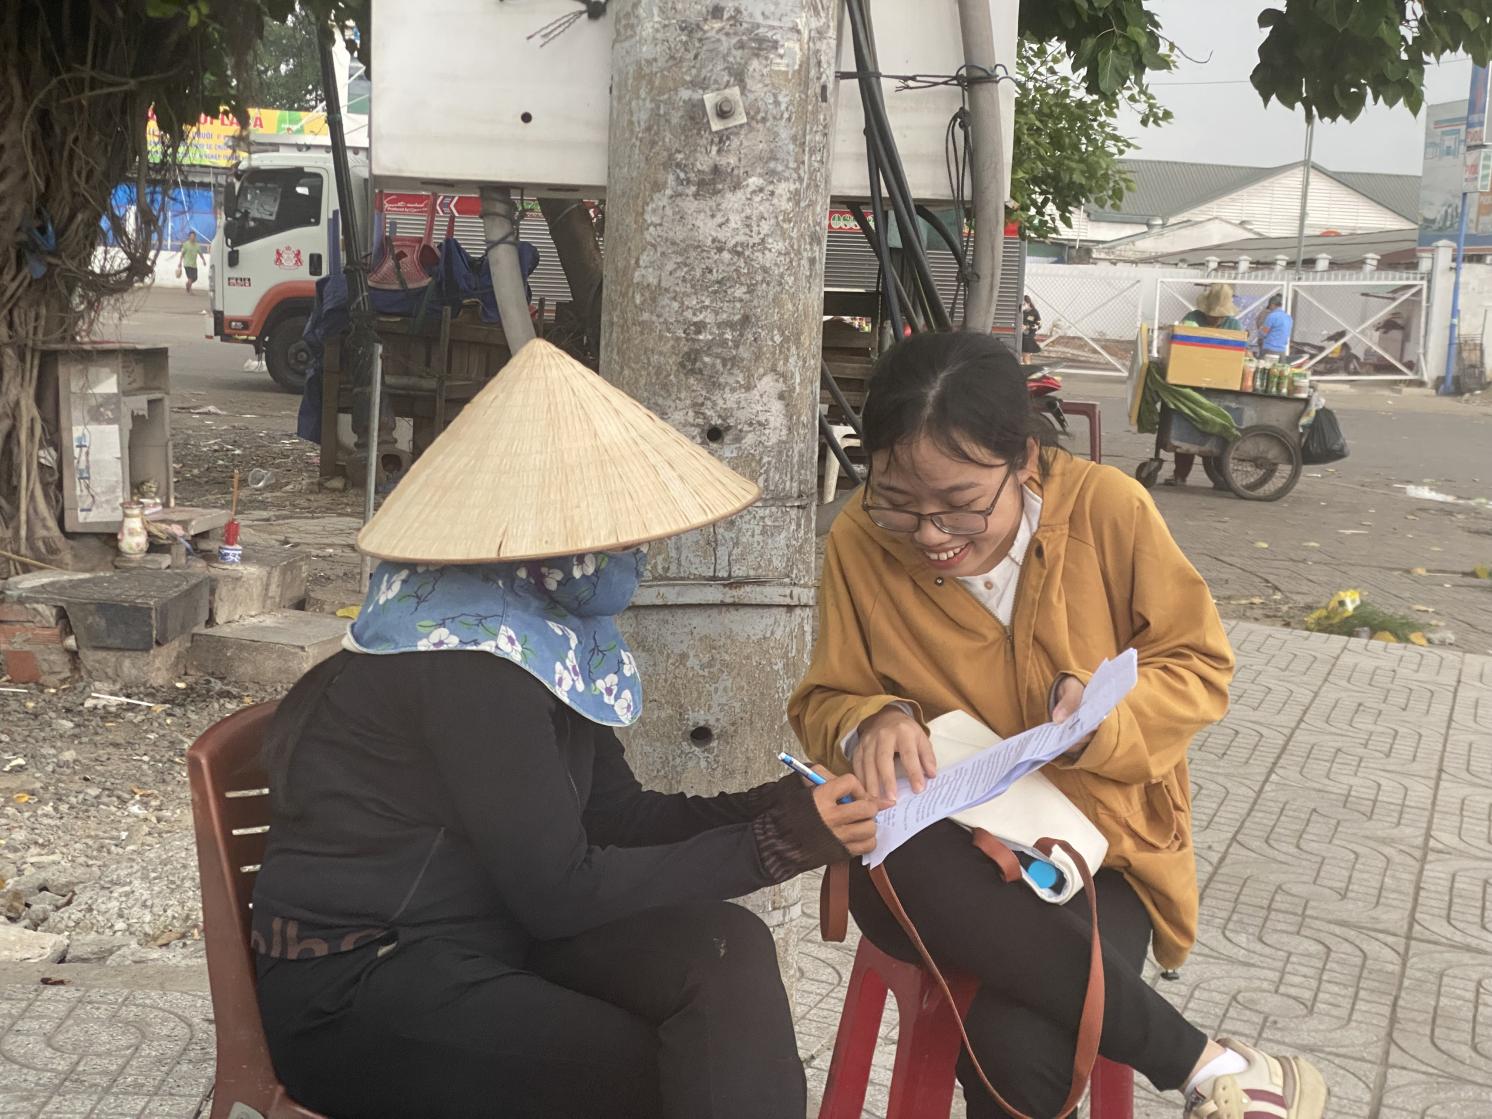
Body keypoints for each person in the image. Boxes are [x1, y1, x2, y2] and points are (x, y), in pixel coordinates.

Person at [252, 339, 880, 1119]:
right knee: (665, 1062)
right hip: (363, 984)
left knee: (726, 953)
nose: (635, 553)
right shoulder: (463, 653)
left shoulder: (536, 631)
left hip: (480, 936)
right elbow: (560, 892)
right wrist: (772, 844)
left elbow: (614, 816)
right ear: (545, 536)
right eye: (614, 534)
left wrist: (781, 808)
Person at [789, 332, 1327, 1119]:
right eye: (900, 500)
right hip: (942, 860)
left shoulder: (1108, 510)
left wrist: (1100, 724)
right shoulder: (860, 543)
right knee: (894, 850)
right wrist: (871, 718)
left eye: (963, 505)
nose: (932, 534)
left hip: (1102, 850)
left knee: (1021, 1058)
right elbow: (824, 697)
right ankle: (1212, 1064)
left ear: (1026, 463)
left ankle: (1215, 1068)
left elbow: (1199, 664)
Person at [1166, 283, 1242, 486]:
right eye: (1212, 314)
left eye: (1220, 316)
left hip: (1221, 387)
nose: (1215, 318)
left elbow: (1241, 354)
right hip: (1190, 386)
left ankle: (1222, 477)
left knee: (1221, 432)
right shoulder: (1192, 319)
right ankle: (1180, 474)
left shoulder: (1234, 326)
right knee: (1185, 433)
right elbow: (1180, 344)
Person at [1257, 293, 1293, 361]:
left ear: (1272, 305)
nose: (1270, 308)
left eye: (1270, 306)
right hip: (1282, 351)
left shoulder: (1272, 316)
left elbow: (1263, 333)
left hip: (1269, 349)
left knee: (1262, 369)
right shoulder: (1288, 318)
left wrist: (1260, 330)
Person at [1020, 295, 1042, 364]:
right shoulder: (1020, 312)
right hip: (1019, 336)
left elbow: (1039, 325)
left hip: (1028, 336)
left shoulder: (1034, 312)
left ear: (1028, 303)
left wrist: (1027, 327)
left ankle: (1028, 367)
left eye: (1024, 304)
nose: (1022, 306)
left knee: (1026, 356)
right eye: (1021, 304)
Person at [179, 230, 200, 295]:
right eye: (191, 236)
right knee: (190, 278)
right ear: (189, 237)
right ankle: (190, 290)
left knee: (195, 278)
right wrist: (180, 262)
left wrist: (203, 260)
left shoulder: (197, 245)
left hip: (194, 265)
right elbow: (182, 254)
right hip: (187, 264)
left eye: (194, 236)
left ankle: (187, 284)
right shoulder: (186, 244)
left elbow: (200, 253)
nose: (192, 237)